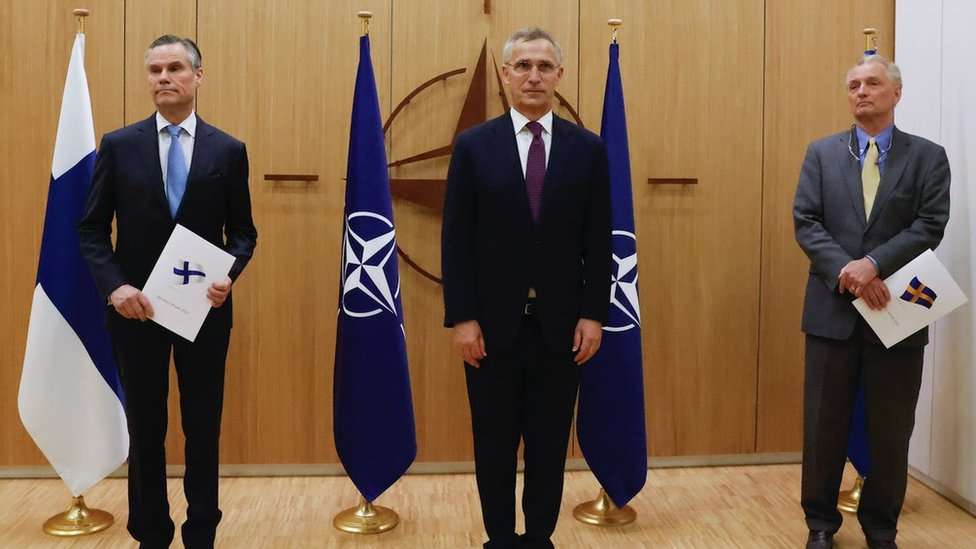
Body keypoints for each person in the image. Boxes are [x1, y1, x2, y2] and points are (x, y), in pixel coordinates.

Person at [78, 34, 257, 548]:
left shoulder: (228, 150)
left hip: (204, 311)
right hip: (136, 314)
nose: (163, 78)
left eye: (175, 68)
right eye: (155, 70)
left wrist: (230, 274)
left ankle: (202, 531)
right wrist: (114, 288)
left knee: (203, 428)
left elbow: (243, 233)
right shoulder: (118, 146)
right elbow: (90, 229)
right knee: (146, 428)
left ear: (197, 77)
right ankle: (151, 533)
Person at [441, 27, 611, 549]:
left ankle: (538, 537)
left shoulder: (588, 149)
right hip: (490, 329)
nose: (533, 75)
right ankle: (498, 538)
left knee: (547, 445)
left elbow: (599, 238)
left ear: (559, 76)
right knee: (493, 445)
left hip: (562, 328)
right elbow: (456, 239)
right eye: (522, 66)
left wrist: (593, 313)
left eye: (543, 66)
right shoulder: (474, 146)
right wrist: (462, 318)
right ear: (505, 75)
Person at [793, 55, 950, 549]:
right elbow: (806, 222)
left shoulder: (928, 156)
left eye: (873, 83)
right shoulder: (821, 154)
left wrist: (874, 265)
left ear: (896, 93)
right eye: (854, 85)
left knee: (890, 430)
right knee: (823, 428)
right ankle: (820, 525)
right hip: (831, 313)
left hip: (898, 312)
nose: (862, 91)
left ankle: (881, 529)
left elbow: (930, 224)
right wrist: (851, 271)